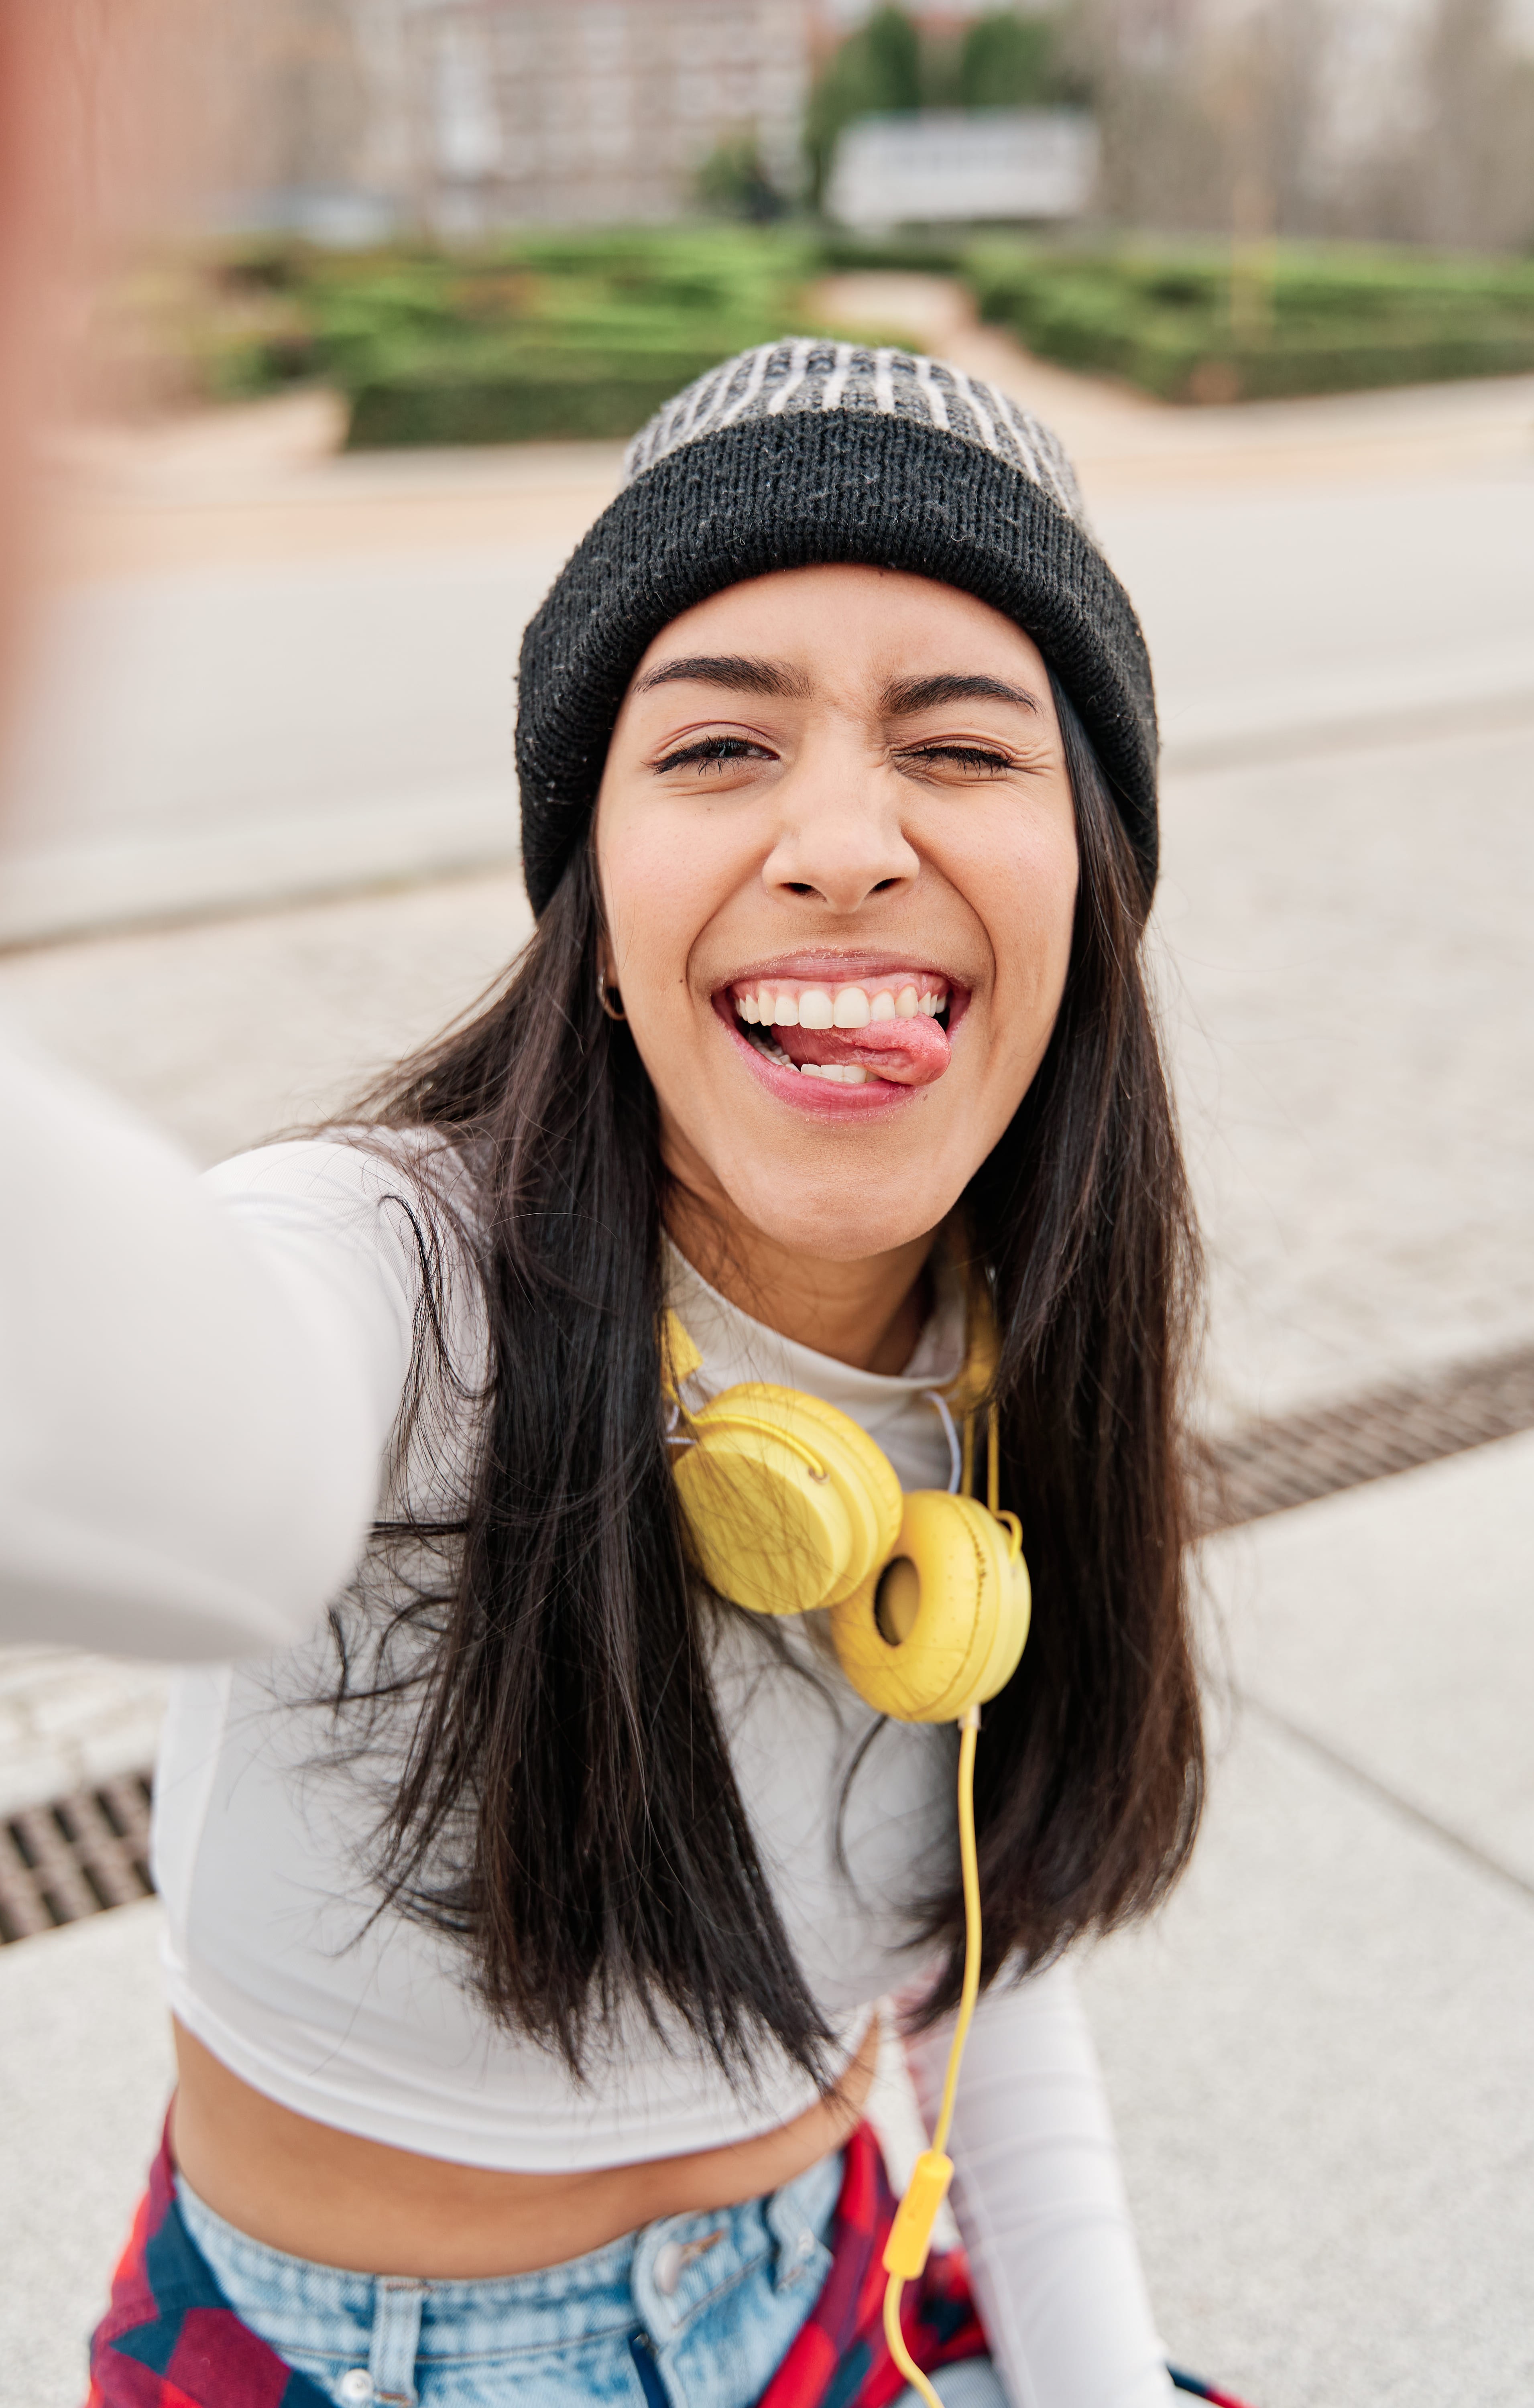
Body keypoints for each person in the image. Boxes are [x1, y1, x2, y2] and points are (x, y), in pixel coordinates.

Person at [18, 339, 1203, 2408]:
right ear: (592, 884)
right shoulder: (389, 1271)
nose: (842, 842)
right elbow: (181, 1419)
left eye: (962, 746)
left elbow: (983, 1963)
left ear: (1093, 873)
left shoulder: (1021, 1352)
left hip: (825, 2287)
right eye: (720, 746)